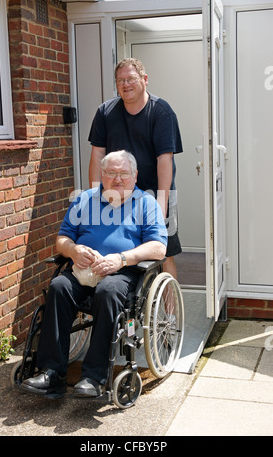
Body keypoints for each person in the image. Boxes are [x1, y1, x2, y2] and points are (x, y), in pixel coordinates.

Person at [20, 150, 167, 399]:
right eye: (111, 173)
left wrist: (121, 259)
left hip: (122, 273)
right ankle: (52, 373)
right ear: (102, 174)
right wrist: (73, 249)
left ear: (135, 175)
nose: (117, 179)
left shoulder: (146, 203)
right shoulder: (84, 200)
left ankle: (93, 376)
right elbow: (62, 239)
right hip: (82, 269)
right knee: (58, 286)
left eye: (124, 174)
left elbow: (158, 247)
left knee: (107, 291)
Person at [88, 58, 183, 280]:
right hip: (118, 194)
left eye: (131, 78)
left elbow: (164, 160)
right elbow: (97, 156)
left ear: (145, 80)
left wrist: (162, 203)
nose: (125, 84)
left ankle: (170, 314)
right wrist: (95, 195)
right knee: (116, 246)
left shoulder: (161, 112)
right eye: (120, 80)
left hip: (155, 192)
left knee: (164, 253)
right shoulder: (105, 112)